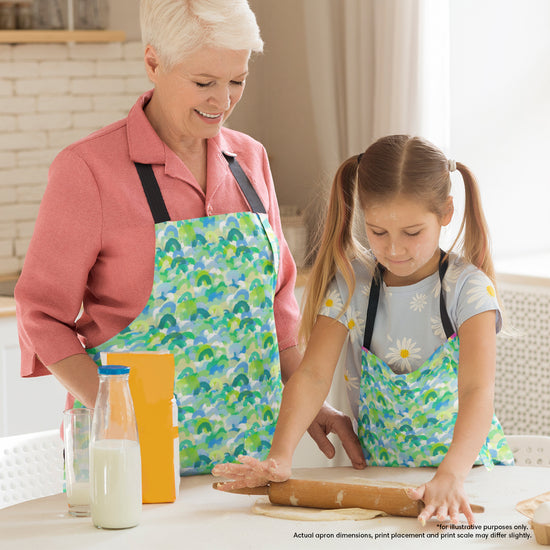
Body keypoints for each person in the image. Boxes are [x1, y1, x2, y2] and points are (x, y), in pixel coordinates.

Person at [15, 0, 362, 475]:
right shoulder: (88, 170)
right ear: (153, 62)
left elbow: (277, 303)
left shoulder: (250, 160)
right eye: (204, 83)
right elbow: (41, 314)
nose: (223, 100)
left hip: (249, 462)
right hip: (130, 456)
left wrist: (306, 402)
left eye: (237, 80)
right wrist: (112, 408)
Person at [213, 134, 515, 523]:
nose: (394, 249)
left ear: (446, 212)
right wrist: (280, 455)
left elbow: (477, 391)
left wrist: (451, 474)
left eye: (412, 232)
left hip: (466, 480)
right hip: (383, 482)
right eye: (377, 231)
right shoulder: (354, 285)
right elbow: (312, 375)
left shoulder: (468, 290)